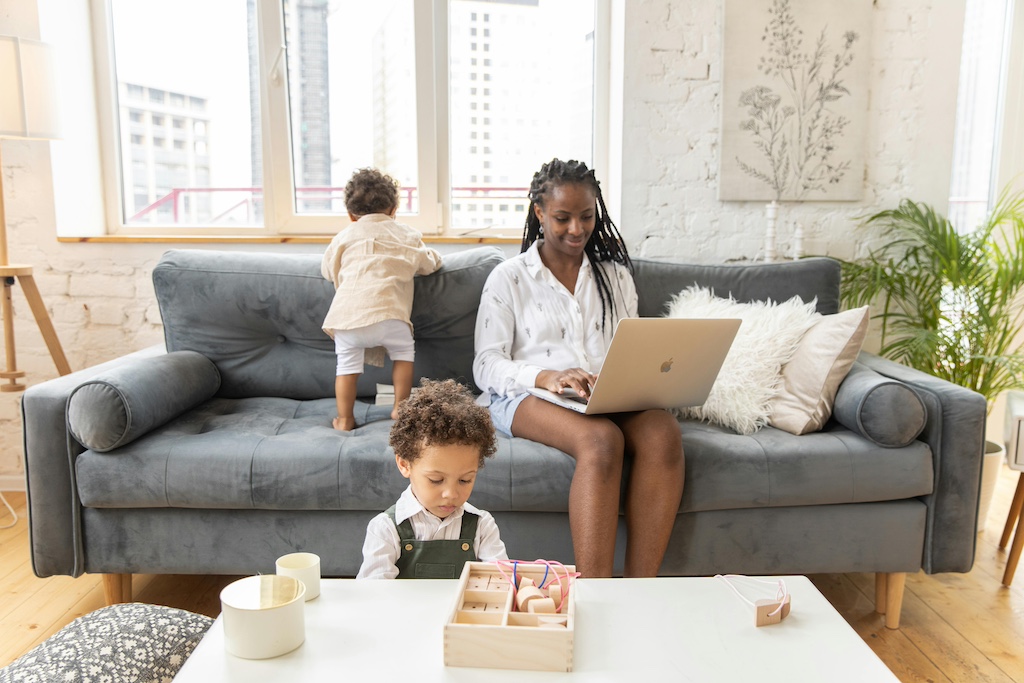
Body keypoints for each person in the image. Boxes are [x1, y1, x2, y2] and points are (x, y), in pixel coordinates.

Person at [472, 158, 684, 578]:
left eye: (586, 217)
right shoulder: (509, 278)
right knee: (602, 441)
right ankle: (595, 591)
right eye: (562, 218)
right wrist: (546, 377)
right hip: (525, 395)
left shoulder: (614, 277)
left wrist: (626, 376)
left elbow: (631, 346)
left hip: (604, 394)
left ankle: (641, 588)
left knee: (662, 431)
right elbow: (485, 364)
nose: (576, 229)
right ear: (539, 214)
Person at [321, 168, 443, 431]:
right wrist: (434, 256)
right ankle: (400, 406)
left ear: (351, 214)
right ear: (394, 208)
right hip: (390, 315)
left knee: (346, 367)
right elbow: (428, 263)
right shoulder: (407, 235)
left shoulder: (343, 237)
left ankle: (344, 419)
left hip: (347, 319)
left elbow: (328, 269)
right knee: (403, 353)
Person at [357, 378, 508, 579]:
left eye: (465, 480)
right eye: (436, 480)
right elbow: (373, 595)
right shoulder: (385, 529)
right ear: (404, 464)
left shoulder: (482, 526)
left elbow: (502, 580)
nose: (451, 494)